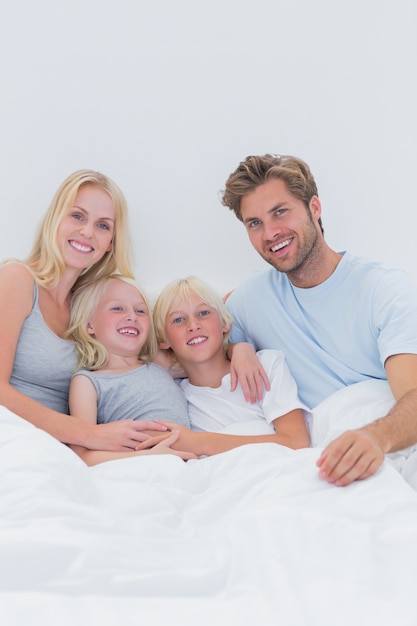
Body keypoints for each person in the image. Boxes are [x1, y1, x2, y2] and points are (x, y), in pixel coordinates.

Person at [220, 153, 417, 487]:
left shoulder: (385, 289)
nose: (270, 233)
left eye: (280, 212)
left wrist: (374, 438)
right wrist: (237, 347)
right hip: (323, 456)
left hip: (387, 440)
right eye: (254, 223)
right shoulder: (248, 300)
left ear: (314, 207)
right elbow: (183, 345)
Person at [0, 169, 169, 451]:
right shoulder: (18, 279)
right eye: (77, 216)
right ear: (56, 218)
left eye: (103, 226)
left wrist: (238, 348)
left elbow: (157, 354)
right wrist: (88, 434)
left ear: (110, 244)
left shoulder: (90, 307)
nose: (87, 232)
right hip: (14, 435)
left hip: (62, 448)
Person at [151, 275, 311, 456]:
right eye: (178, 320)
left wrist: (201, 442)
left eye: (203, 313)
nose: (193, 325)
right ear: (162, 339)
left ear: (224, 323)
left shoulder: (266, 366)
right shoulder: (176, 398)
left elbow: (297, 441)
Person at [67, 274, 196, 465]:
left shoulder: (160, 365)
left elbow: (208, 361)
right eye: (117, 308)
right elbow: (82, 455)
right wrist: (145, 457)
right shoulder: (88, 382)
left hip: (188, 461)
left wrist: (240, 349)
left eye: (140, 311)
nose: (132, 316)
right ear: (89, 325)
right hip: (139, 463)